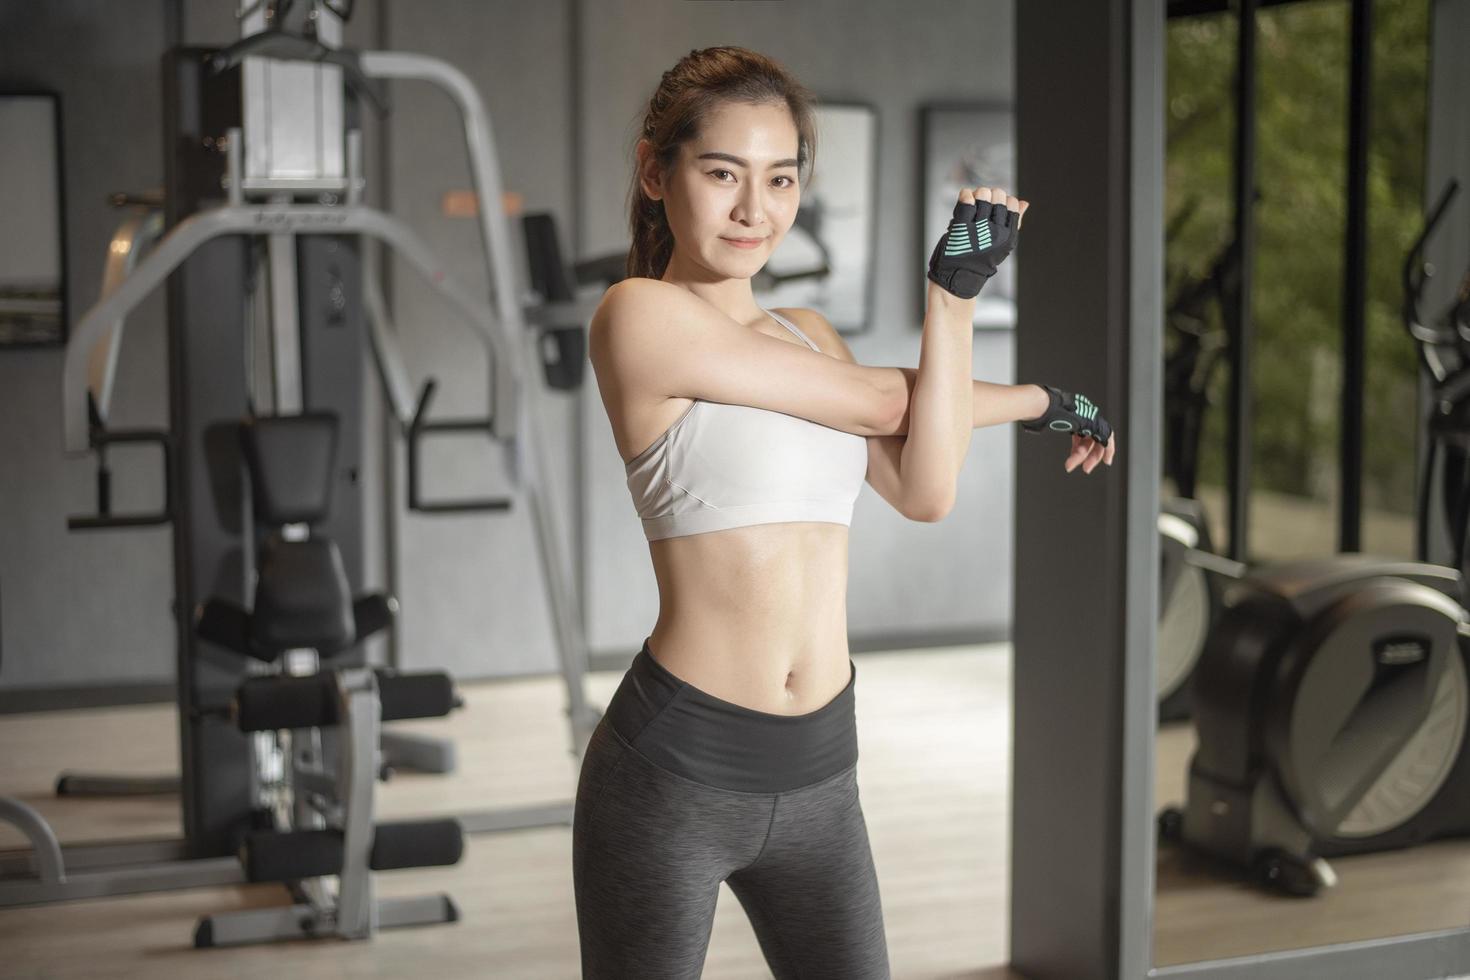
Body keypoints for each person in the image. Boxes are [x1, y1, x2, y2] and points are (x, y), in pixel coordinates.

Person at [573, 45, 1118, 980]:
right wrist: (964, 317)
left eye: (781, 179)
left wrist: (1025, 387)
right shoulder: (638, 316)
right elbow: (887, 403)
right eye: (722, 174)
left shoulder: (809, 336)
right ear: (656, 172)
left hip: (824, 768)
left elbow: (925, 486)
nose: (756, 210)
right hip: (677, 772)